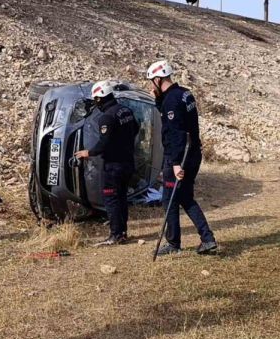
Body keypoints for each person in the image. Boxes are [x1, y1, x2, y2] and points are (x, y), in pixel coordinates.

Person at [146, 60, 218, 256]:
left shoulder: (171, 100)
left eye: (152, 81)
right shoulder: (184, 94)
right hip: (193, 153)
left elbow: (175, 133)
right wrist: (159, 100)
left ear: (158, 79)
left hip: (179, 157)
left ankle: (173, 244)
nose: (151, 85)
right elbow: (177, 118)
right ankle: (207, 239)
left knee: (169, 199)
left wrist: (176, 164)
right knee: (185, 197)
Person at [75, 80, 139, 246]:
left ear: (100, 98)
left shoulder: (106, 117)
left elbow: (104, 143)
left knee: (111, 199)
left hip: (113, 166)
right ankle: (122, 232)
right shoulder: (126, 111)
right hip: (128, 162)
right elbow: (136, 129)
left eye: (96, 99)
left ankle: (115, 235)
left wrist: (88, 152)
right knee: (122, 198)